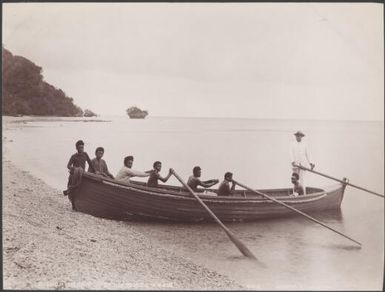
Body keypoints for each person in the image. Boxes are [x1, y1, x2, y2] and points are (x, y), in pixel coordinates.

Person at [63, 140, 95, 209]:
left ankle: (82, 203)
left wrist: (95, 172)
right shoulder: (74, 156)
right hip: (75, 174)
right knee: (72, 188)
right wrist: (74, 169)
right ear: (76, 148)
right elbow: (68, 165)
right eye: (80, 147)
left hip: (82, 174)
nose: (81, 149)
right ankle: (73, 204)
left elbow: (90, 164)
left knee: (81, 189)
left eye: (82, 147)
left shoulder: (85, 154)